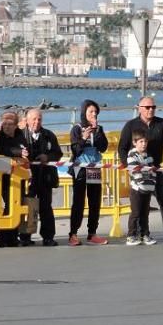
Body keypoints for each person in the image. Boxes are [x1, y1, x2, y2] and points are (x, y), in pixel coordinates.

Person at [118, 97, 163, 243]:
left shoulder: (161, 123)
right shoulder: (131, 125)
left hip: (155, 169)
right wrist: (129, 166)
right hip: (138, 171)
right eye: (147, 107)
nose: (151, 110)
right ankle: (135, 234)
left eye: (153, 107)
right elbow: (122, 148)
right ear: (139, 108)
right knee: (139, 207)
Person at [68, 99, 109, 246]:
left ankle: (92, 233)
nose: (94, 114)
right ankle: (73, 233)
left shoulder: (99, 129)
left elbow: (103, 147)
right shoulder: (77, 128)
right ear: (84, 112)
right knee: (78, 201)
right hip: (80, 167)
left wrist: (96, 132)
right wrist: (84, 138)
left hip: (94, 167)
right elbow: (75, 150)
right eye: (91, 111)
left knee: (94, 200)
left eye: (95, 112)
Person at [20, 108, 62, 246]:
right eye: (34, 119)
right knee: (28, 206)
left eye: (39, 119)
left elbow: (58, 153)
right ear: (27, 120)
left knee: (46, 207)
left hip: (45, 176)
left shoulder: (49, 135)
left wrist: (47, 156)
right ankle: (25, 237)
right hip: (28, 176)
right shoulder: (20, 135)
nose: (36, 122)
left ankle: (48, 237)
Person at [0, 111, 27, 247]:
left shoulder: (20, 135)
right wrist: (18, 152)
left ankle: (13, 236)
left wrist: (22, 152)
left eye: (10, 124)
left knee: (17, 205)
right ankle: (4, 237)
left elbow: (25, 148)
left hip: (18, 176)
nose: (6, 126)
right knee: (9, 204)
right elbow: (1, 149)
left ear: (15, 125)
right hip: (2, 176)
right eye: (4, 123)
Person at [125, 129, 158, 245]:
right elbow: (135, 172)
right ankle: (131, 235)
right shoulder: (132, 155)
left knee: (145, 213)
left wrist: (152, 184)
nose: (144, 144)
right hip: (137, 189)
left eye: (145, 142)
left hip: (148, 189)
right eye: (141, 141)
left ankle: (145, 235)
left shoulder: (148, 156)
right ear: (135, 142)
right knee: (135, 213)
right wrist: (141, 184)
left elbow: (153, 172)